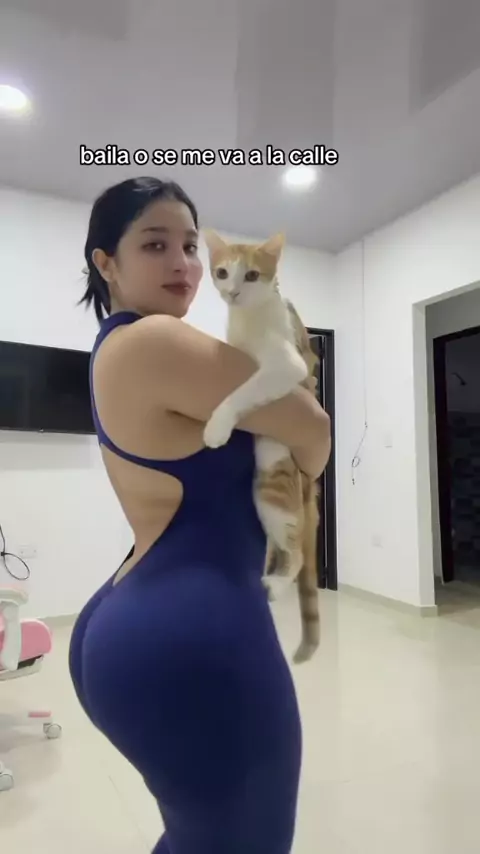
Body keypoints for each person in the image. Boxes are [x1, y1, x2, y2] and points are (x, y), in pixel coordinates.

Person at [68, 176, 331, 854]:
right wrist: (299, 449)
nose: (183, 263)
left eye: (190, 245)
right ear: (106, 262)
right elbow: (315, 430)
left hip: (144, 612)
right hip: (197, 634)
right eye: (155, 244)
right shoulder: (156, 340)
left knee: (202, 837)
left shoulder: (116, 347)